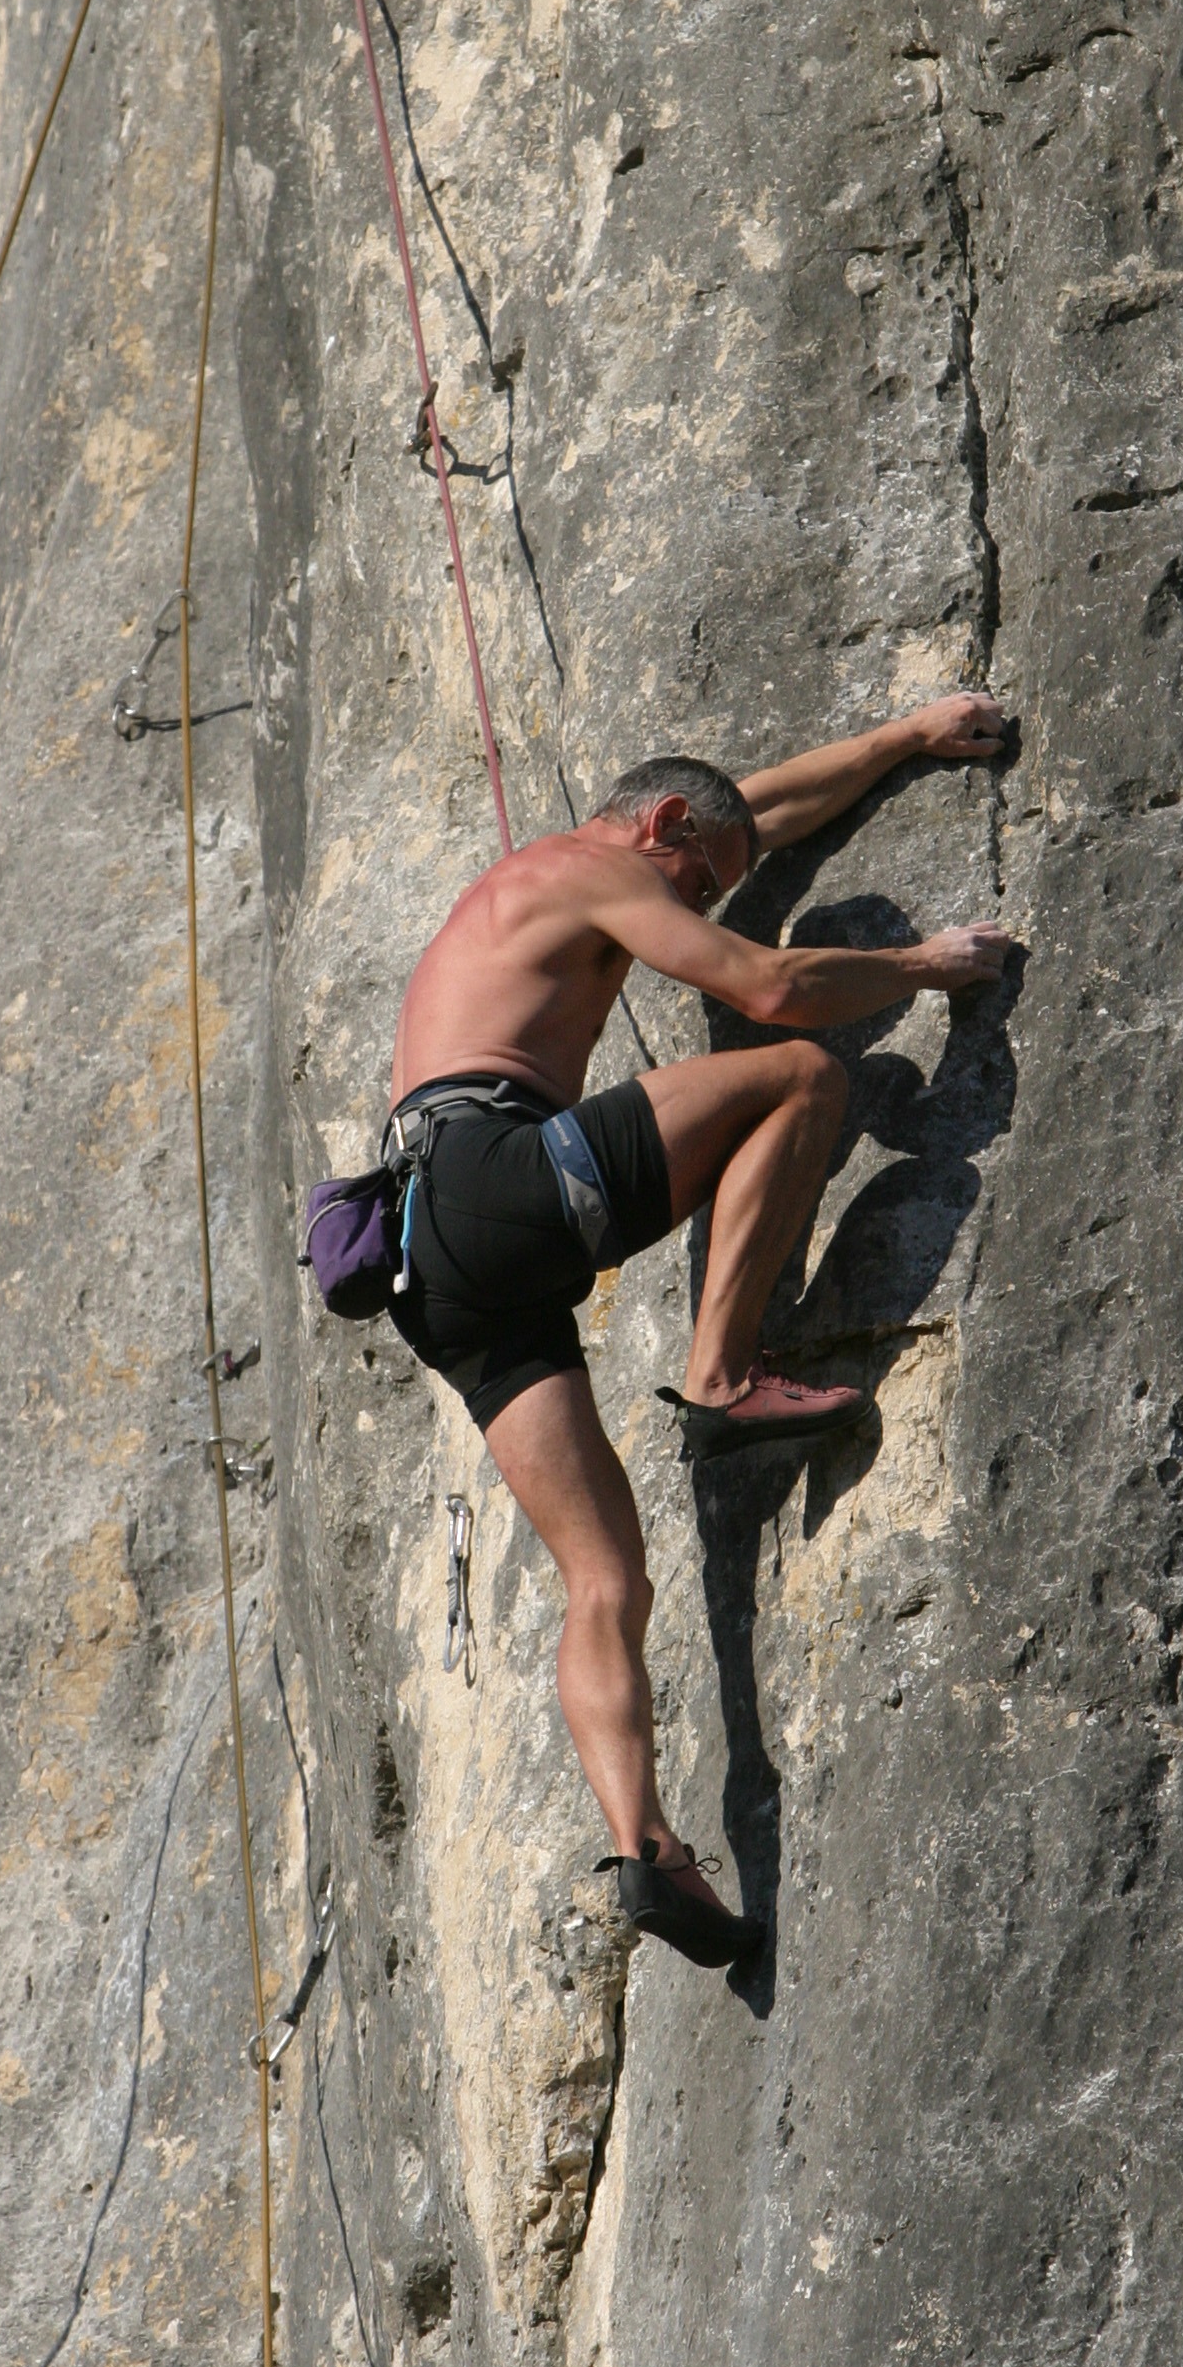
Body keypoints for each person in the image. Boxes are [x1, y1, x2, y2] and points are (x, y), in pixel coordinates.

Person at [384, 693, 1014, 1966]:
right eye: (697, 878)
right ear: (655, 824)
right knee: (804, 1074)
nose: (703, 901)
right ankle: (721, 1375)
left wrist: (901, 740)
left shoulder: (597, 865)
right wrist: (920, 971)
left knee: (606, 1579)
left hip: (423, 1257)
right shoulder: (587, 867)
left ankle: (647, 1847)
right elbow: (770, 984)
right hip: (489, 1176)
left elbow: (758, 810)